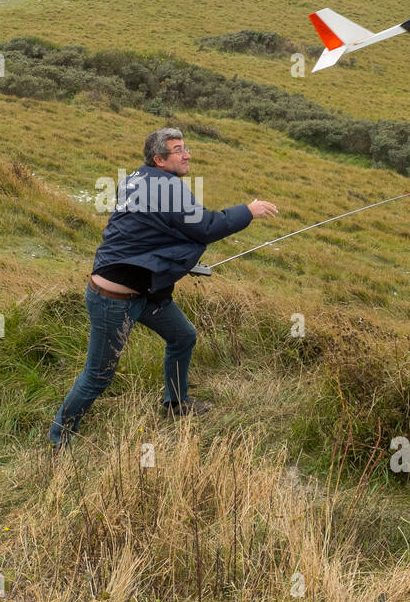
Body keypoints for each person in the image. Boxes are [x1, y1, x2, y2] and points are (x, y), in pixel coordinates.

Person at [47, 128, 278, 448]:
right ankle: (59, 438)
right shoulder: (166, 187)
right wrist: (248, 210)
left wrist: (177, 261)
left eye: (186, 148)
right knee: (98, 375)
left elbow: (150, 233)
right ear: (159, 159)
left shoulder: (135, 179)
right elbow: (207, 226)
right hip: (114, 298)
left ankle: (175, 404)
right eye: (178, 150)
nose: (187, 155)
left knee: (183, 336)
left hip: (144, 291)